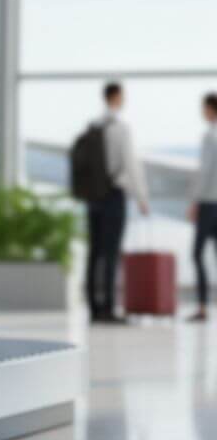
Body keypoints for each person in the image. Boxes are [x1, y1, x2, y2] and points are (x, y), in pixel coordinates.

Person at [85, 82, 150, 325]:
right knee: (111, 253)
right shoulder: (121, 128)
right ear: (115, 97)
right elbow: (131, 165)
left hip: (93, 196)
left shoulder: (93, 126)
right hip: (113, 194)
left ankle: (94, 308)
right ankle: (109, 309)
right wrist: (142, 198)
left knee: (94, 252)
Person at [187, 92, 217, 323]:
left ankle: (203, 307)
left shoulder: (210, 135)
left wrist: (195, 201)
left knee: (197, 254)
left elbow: (206, 171)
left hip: (208, 203)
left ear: (210, 109)